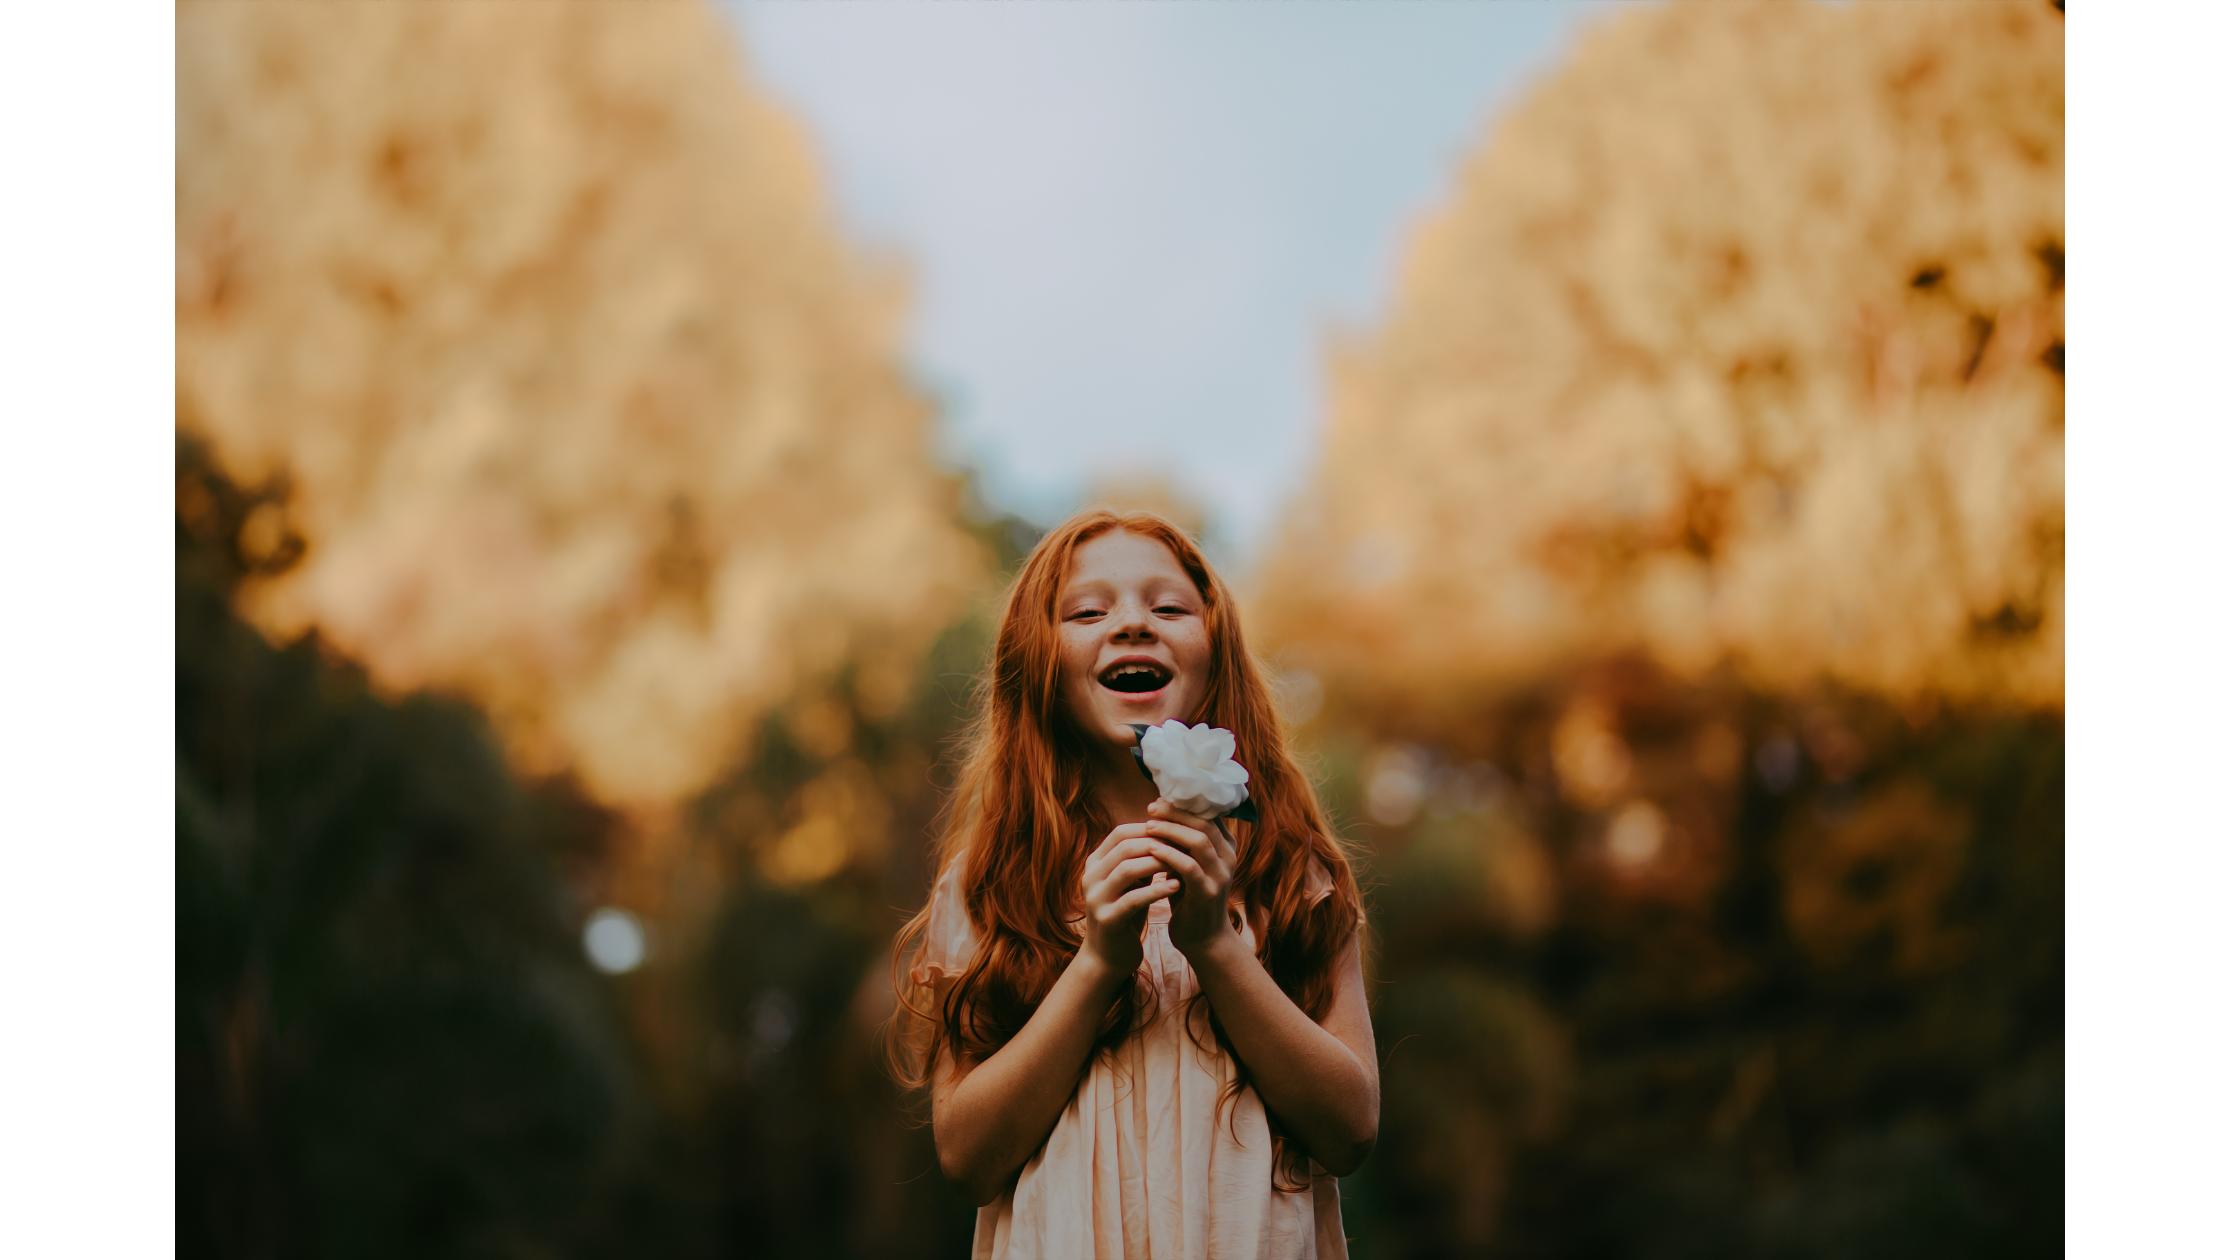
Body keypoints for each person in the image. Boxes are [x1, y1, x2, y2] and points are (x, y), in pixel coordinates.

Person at [885, 510, 1377, 1258]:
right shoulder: (991, 886)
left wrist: (1214, 944)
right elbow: (966, 1156)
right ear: (1039, 664)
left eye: (1169, 607)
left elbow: (1350, 1129)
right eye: (1088, 611)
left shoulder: (1288, 869)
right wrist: (1098, 963)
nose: (1133, 624)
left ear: (1216, 655)